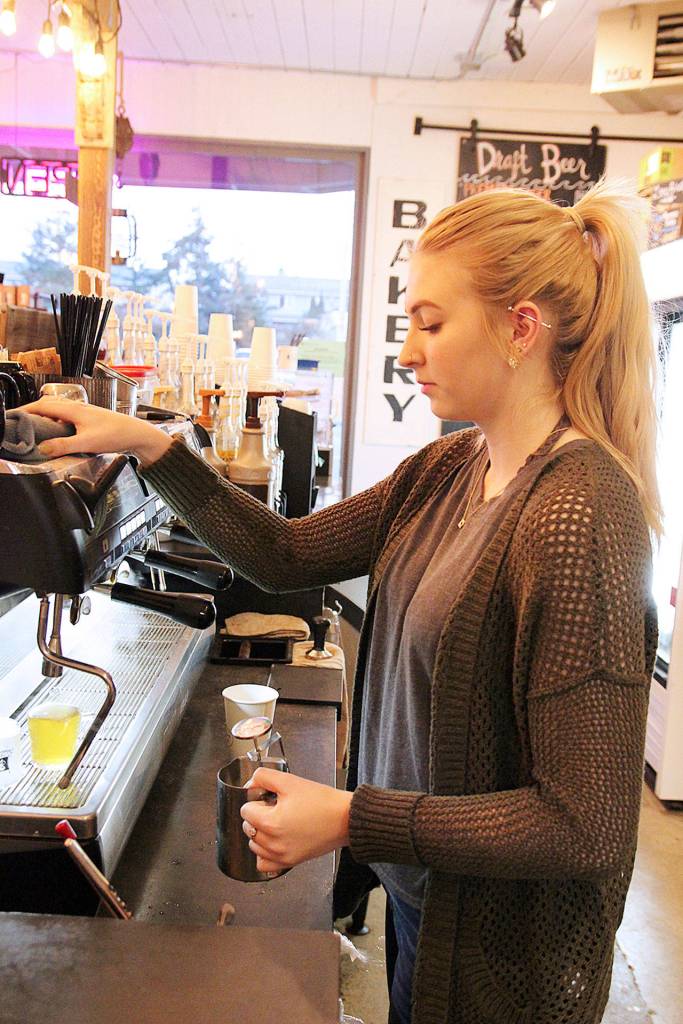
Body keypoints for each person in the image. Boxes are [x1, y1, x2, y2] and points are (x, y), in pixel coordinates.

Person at [26, 181, 659, 1024]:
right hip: (426, 904)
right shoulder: (451, 469)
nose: (408, 351)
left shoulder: (580, 514)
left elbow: (581, 825)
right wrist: (148, 444)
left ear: (519, 327)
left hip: (503, 966)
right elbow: (287, 554)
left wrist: (356, 818)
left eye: (431, 323)